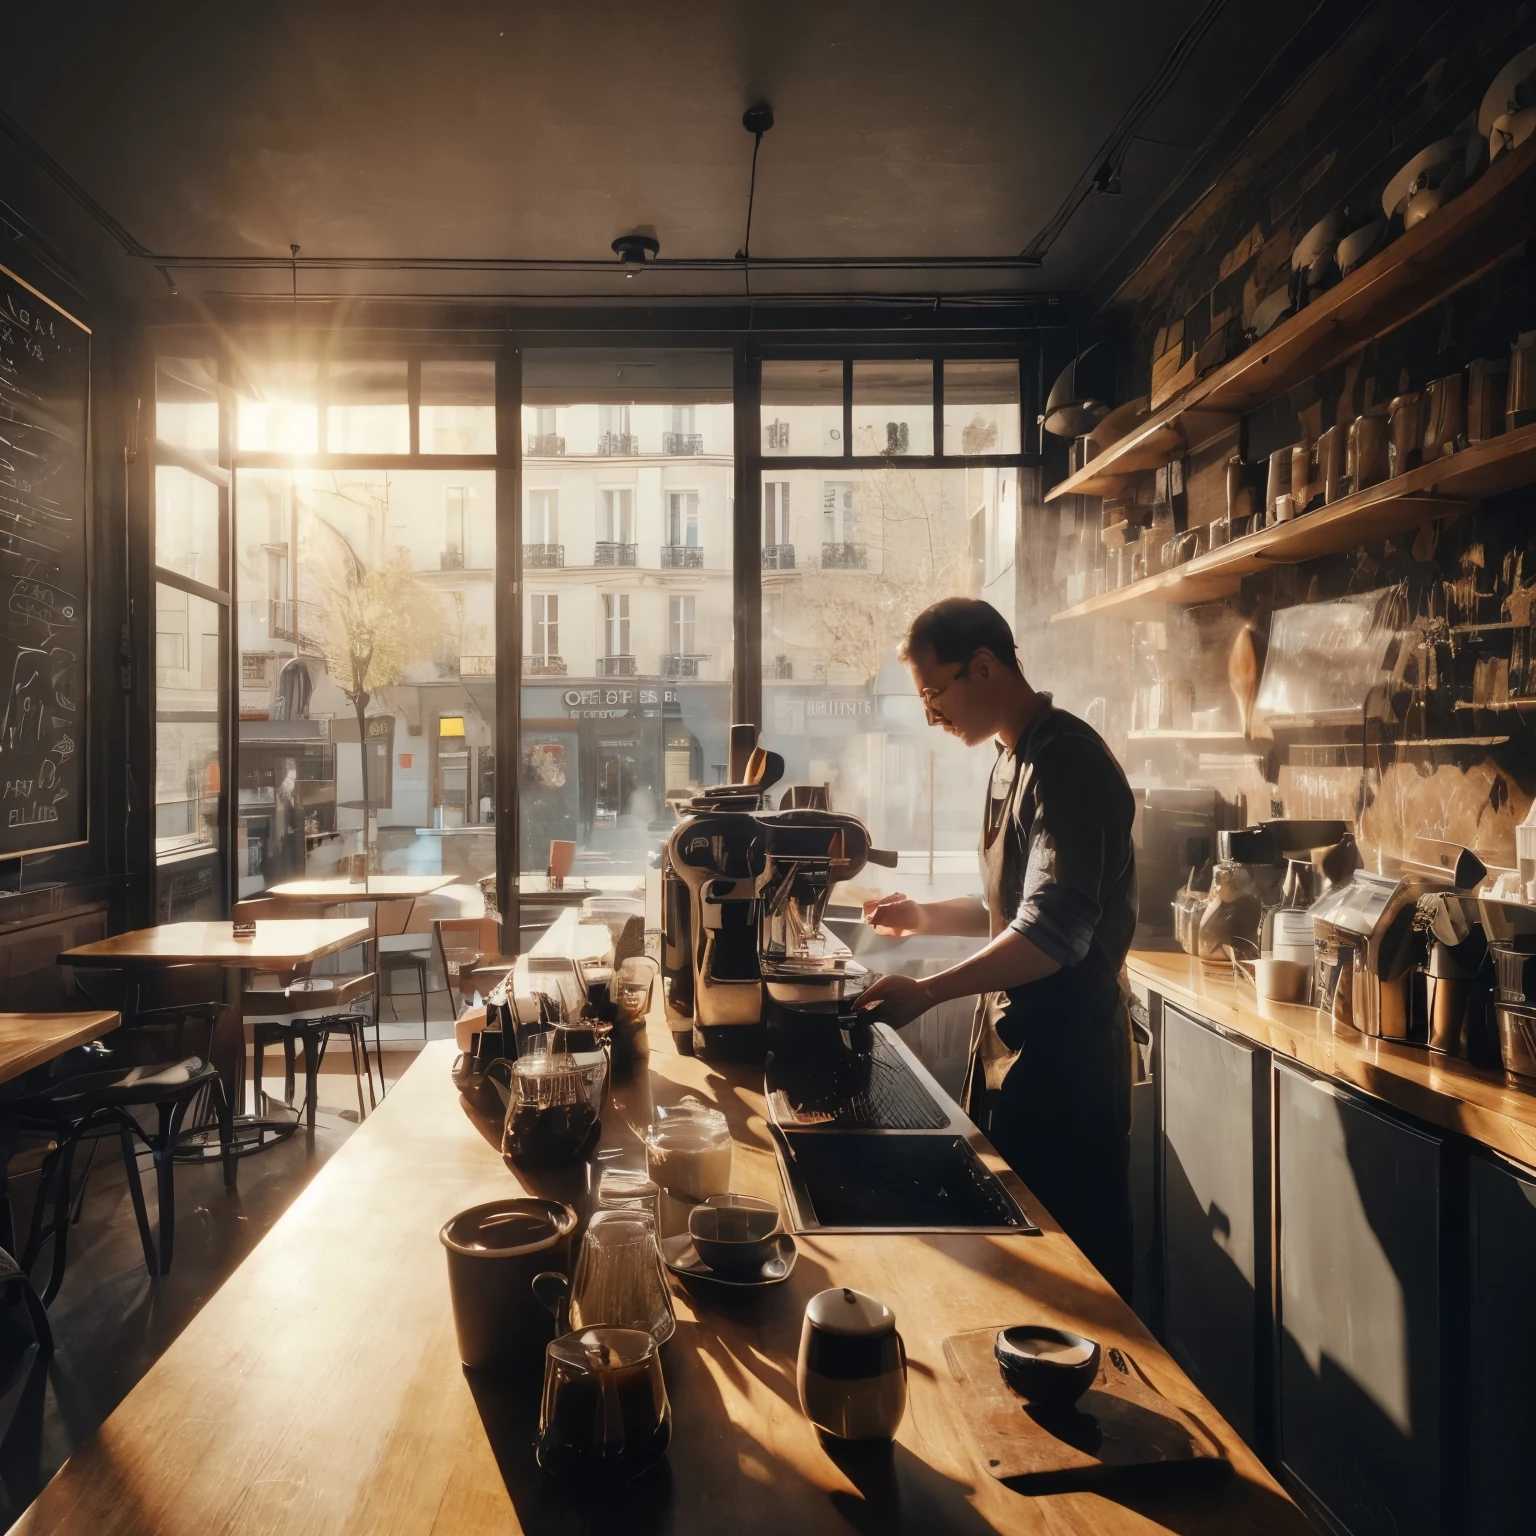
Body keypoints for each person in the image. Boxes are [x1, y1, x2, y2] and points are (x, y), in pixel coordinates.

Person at [857, 598, 1138, 1298]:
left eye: (933, 693)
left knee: (1075, 1287)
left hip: (1068, 1069)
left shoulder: (1067, 762)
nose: (929, 715)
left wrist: (924, 992)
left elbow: (1053, 933)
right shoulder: (1011, 757)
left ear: (982, 666)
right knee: (1021, 1273)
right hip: (1016, 1053)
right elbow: (1010, 908)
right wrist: (924, 915)